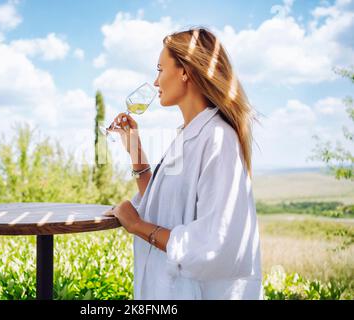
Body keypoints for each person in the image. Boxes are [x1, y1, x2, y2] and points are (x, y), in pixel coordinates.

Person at [104, 27, 263, 300]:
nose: (155, 83)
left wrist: (137, 225)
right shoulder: (190, 135)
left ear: (185, 71)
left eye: (159, 70)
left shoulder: (217, 140)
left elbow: (215, 243)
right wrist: (135, 149)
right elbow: (165, 204)